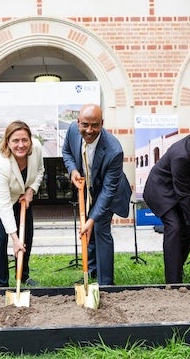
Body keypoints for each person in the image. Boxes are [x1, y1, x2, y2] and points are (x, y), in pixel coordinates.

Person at [143, 113, 190, 284]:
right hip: (160, 191)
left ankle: (176, 268)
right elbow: (183, 196)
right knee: (175, 227)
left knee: (187, 230)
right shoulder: (182, 155)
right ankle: (173, 282)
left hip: (178, 188)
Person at [62, 103, 131, 285]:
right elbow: (67, 152)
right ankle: (92, 272)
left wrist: (91, 220)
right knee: (89, 232)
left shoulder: (114, 149)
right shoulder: (72, 131)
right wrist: (73, 170)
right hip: (87, 188)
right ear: (78, 123)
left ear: (102, 123)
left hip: (109, 191)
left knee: (99, 229)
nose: (90, 130)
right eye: (85, 125)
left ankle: (105, 282)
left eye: (95, 125)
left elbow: (109, 190)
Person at [0, 120, 44, 287]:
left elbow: (40, 171)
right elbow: (3, 205)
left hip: (20, 196)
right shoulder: (2, 163)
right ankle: (0, 283)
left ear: (30, 140)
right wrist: (14, 238)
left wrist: (31, 190)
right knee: (1, 236)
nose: (20, 145)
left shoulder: (36, 148)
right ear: (7, 142)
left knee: (27, 236)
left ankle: (23, 275)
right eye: (15, 141)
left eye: (24, 140)